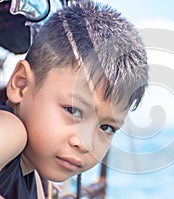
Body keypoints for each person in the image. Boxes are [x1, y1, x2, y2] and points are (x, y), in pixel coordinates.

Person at [0, 1, 149, 198]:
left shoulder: (35, 180)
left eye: (107, 128)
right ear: (21, 84)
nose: (86, 144)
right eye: (72, 110)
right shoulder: (10, 131)